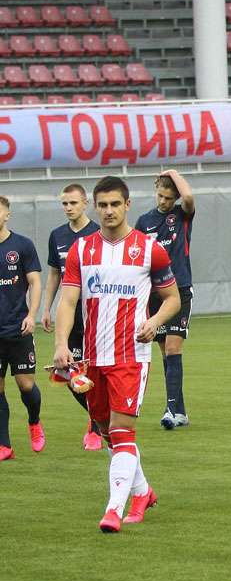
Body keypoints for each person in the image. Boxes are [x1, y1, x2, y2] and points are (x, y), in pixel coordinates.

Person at [54, 175, 182, 532]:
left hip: (131, 356)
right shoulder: (82, 250)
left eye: (115, 204)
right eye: (103, 205)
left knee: (122, 432)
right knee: (109, 433)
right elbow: (68, 299)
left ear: (128, 205)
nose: (109, 211)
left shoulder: (149, 248)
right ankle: (142, 492)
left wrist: (154, 321)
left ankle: (113, 509)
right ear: (96, 208)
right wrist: (62, 344)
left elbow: (173, 299)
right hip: (93, 358)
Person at [40, 183, 103, 450]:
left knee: (97, 370)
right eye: (64, 203)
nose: (68, 208)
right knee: (67, 370)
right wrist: (47, 307)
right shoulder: (57, 236)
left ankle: (97, 425)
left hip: (97, 313)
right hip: (70, 313)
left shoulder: (98, 233)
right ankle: (96, 416)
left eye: (73, 203)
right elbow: (55, 273)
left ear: (85, 204)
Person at [134, 170, 195, 431]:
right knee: (164, 353)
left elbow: (190, 196)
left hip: (179, 291)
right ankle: (179, 410)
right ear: (155, 191)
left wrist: (172, 173)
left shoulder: (181, 215)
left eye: (169, 198)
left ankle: (171, 410)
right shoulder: (144, 221)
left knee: (173, 348)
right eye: (161, 195)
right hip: (154, 295)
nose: (164, 202)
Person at [0, 196, 43, 462]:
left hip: (18, 329)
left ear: (7, 215)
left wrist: (32, 314)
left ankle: (34, 421)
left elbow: (35, 282)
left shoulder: (22, 245)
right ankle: (4, 445)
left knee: (26, 386)